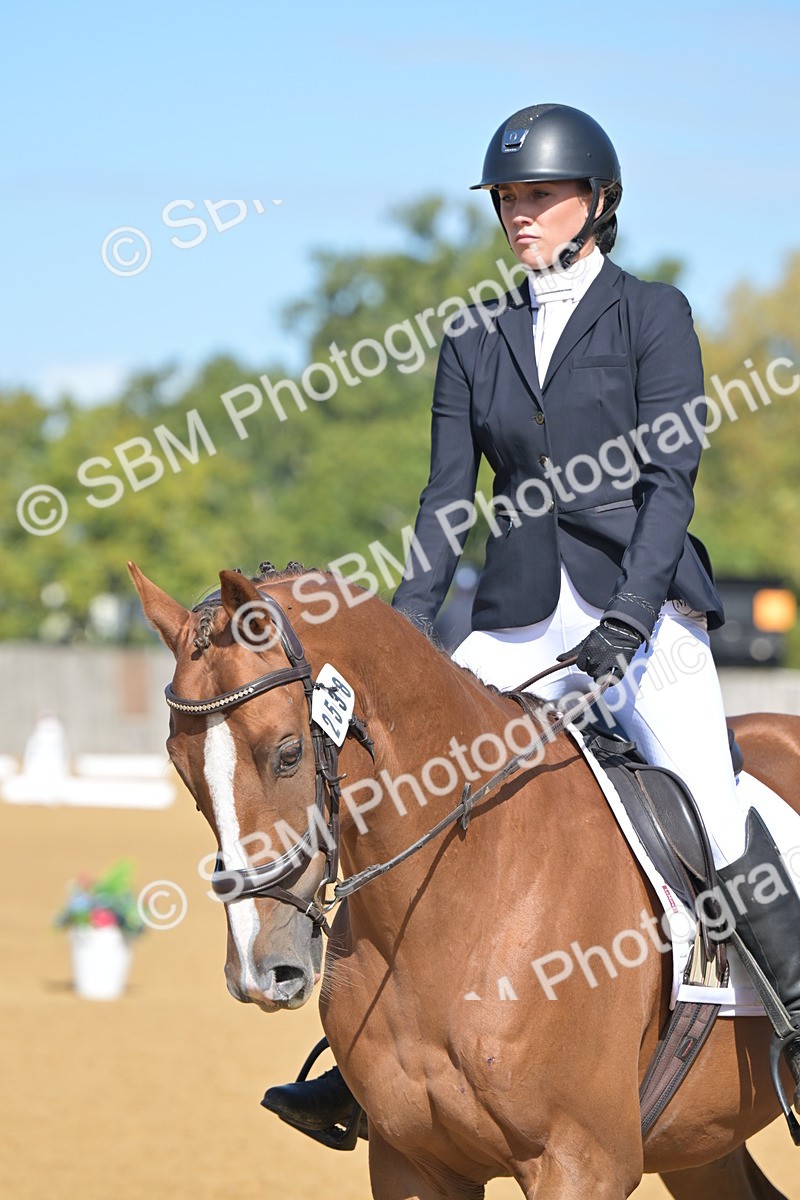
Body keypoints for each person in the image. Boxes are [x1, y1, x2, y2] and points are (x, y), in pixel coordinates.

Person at [263, 103, 800, 1135]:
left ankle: (796, 1018)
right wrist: (407, 642)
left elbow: (667, 485)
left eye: (538, 195)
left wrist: (629, 622)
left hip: (634, 608)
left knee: (707, 790)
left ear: (595, 205)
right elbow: (443, 505)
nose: (519, 213)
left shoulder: (653, 316)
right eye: (509, 198)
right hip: (507, 614)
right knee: (389, 783)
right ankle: (362, 1053)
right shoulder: (474, 337)